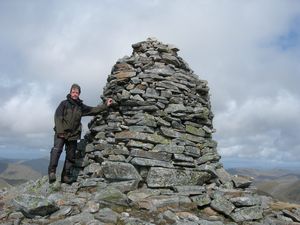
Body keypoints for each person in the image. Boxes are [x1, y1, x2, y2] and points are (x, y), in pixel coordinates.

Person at [48, 83, 113, 184]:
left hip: (73, 135)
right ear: (70, 92)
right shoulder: (64, 104)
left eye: (76, 92)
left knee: (70, 156)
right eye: (73, 92)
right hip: (61, 134)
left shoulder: (80, 106)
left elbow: (93, 110)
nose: (74, 94)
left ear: (79, 94)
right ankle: (52, 173)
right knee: (56, 152)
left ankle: (65, 176)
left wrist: (106, 105)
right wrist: (60, 131)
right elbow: (57, 117)